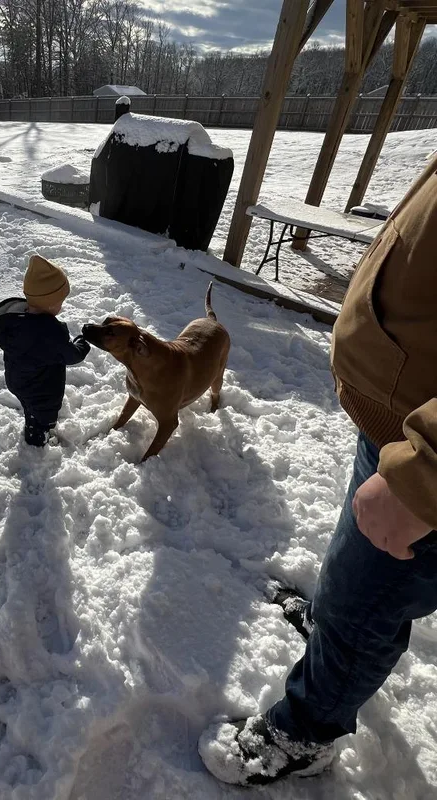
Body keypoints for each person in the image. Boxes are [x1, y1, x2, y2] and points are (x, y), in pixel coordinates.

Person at [199, 152, 437, 786]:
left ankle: (306, 732)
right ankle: (338, 632)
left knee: (372, 599)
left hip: (428, 461)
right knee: (356, 578)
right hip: (404, 430)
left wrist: (429, 474)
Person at [0, 254, 90, 447]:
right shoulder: (47, 333)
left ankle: (32, 422)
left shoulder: (17, 319)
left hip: (18, 378)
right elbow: (71, 355)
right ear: (49, 303)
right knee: (42, 415)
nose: (61, 306)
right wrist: (82, 343)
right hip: (40, 388)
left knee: (29, 406)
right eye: (60, 302)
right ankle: (37, 440)